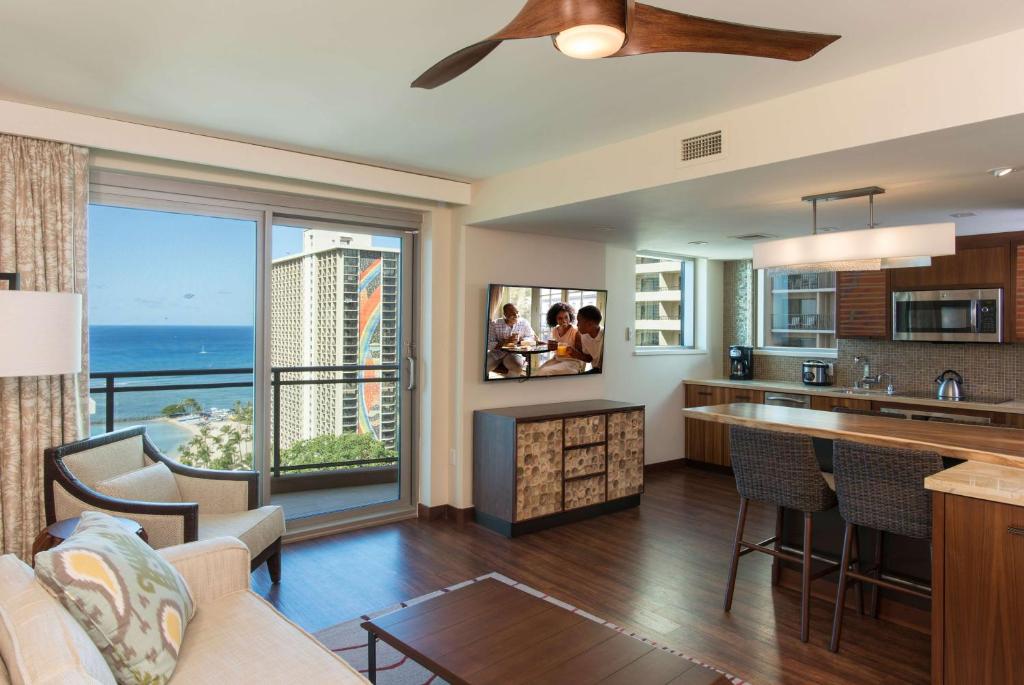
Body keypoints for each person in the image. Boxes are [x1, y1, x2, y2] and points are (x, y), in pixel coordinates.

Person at [534, 303, 584, 376]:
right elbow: (557, 345)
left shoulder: (575, 332)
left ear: (570, 316)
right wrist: (549, 345)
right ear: (555, 319)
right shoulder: (555, 330)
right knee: (537, 372)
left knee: (544, 372)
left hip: (572, 362)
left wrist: (570, 350)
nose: (564, 320)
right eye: (560, 318)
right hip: (558, 359)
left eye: (566, 317)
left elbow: (581, 354)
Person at [487, 303, 536, 377]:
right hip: (496, 353)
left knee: (517, 367)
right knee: (482, 366)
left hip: (514, 354)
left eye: (517, 312)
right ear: (505, 315)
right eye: (512, 314)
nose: (516, 315)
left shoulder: (524, 323)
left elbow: (531, 337)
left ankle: (507, 383)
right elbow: (489, 343)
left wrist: (520, 341)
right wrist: (506, 342)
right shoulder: (494, 324)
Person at [575, 305, 604, 373]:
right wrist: (574, 353)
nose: (577, 325)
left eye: (579, 321)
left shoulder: (605, 335)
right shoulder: (584, 336)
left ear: (589, 324)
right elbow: (589, 359)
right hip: (596, 370)